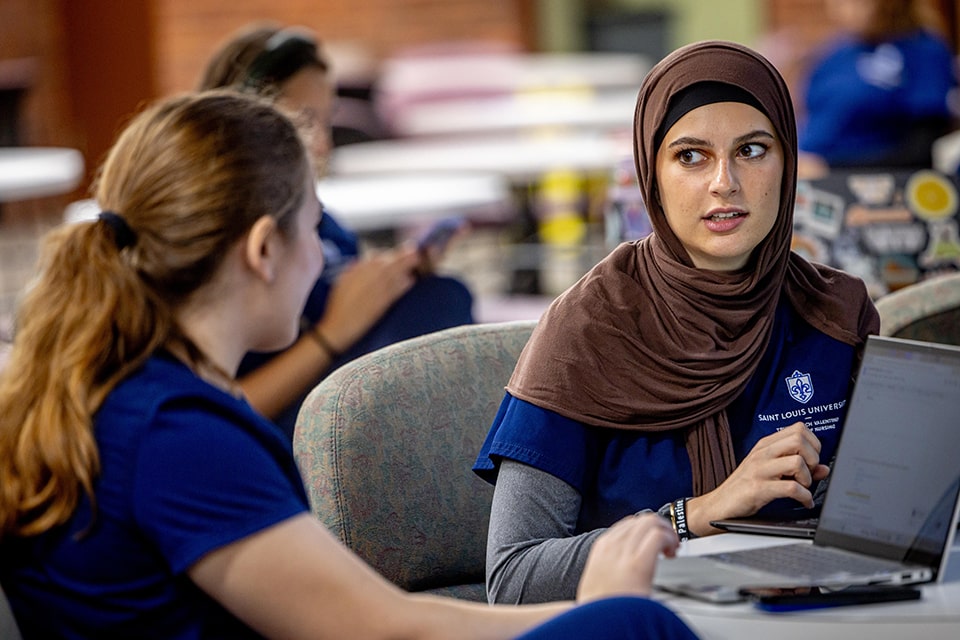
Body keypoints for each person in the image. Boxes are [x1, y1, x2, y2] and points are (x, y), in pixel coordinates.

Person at [0, 91, 700, 639]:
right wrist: (599, 607)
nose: (323, 259)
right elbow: (380, 630)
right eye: (315, 228)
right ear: (264, 248)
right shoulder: (173, 434)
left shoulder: (111, 393)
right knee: (636, 624)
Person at [473, 39, 881, 604]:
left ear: (788, 164)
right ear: (652, 173)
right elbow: (515, 579)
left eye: (753, 150)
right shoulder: (588, 330)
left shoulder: (837, 314)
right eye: (691, 156)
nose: (724, 183)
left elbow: (894, 519)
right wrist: (700, 515)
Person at [199, 23, 474, 437]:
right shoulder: (212, 249)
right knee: (443, 305)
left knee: (439, 297)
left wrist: (393, 278)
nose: (324, 145)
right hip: (298, 429)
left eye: (327, 122)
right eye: (305, 122)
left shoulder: (321, 221)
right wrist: (333, 333)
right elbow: (211, 416)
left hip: (342, 402)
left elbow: (347, 296)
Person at [796, 0, 957, 176]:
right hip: (808, 173)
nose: (840, 7)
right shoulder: (834, 53)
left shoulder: (923, 51)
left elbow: (921, 150)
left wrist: (830, 168)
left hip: (870, 182)